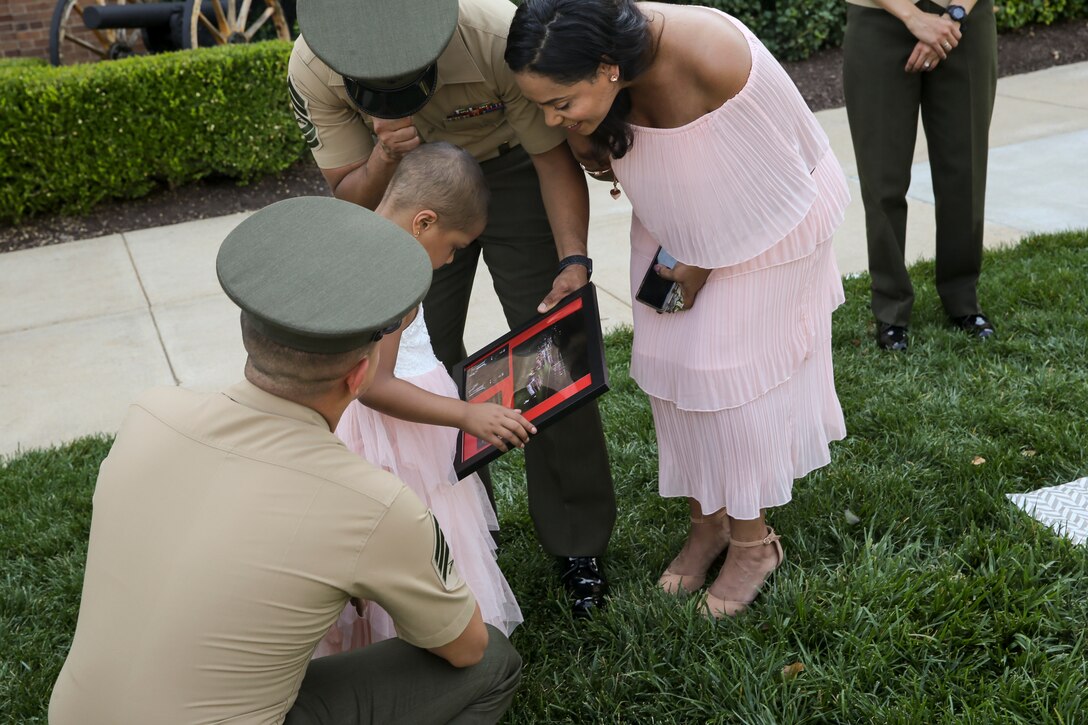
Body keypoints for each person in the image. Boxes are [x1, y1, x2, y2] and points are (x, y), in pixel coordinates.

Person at [48, 197, 521, 725]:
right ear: (358, 375)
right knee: (494, 662)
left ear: (251, 334)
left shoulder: (147, 415)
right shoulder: (376, 503)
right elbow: (465, 648)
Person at [507, 0, 851, 617]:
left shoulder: (710, 53)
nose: (551, 120)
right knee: (673, 373)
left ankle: (753, 542)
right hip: (676, 225)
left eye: (559, 103)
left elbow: (773, 182)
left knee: (726, 380)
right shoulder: (609, 82)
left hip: (767, 224)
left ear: (609, 67)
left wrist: (695, 265)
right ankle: (708, 523)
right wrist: (593, 137)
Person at [287, 0, 615, 618]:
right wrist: (384, 156)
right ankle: (462, 532)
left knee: (549, 354)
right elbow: (349, 196)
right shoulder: (312, 65)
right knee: (421, 363)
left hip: (513, 166)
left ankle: (577, 543)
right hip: (403, 192)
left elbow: (552, 157)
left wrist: (573, 261)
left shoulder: (492, 32)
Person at [317, 143, 526, 656]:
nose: (453, 258)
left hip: (358, 431)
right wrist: (465, 414)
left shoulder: (354, 238)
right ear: (423, 223)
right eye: (455, 245)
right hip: (402, 435)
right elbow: (375, 385)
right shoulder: (395, 274)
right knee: (428, 534)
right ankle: (432, 645)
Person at [843, 0, 998, 351]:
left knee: (965, 172)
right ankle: (891, 310)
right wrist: (913, 17)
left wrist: (953, 15)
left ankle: (963, 300)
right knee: (883, 179)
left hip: (966, 23)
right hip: (879, 20)